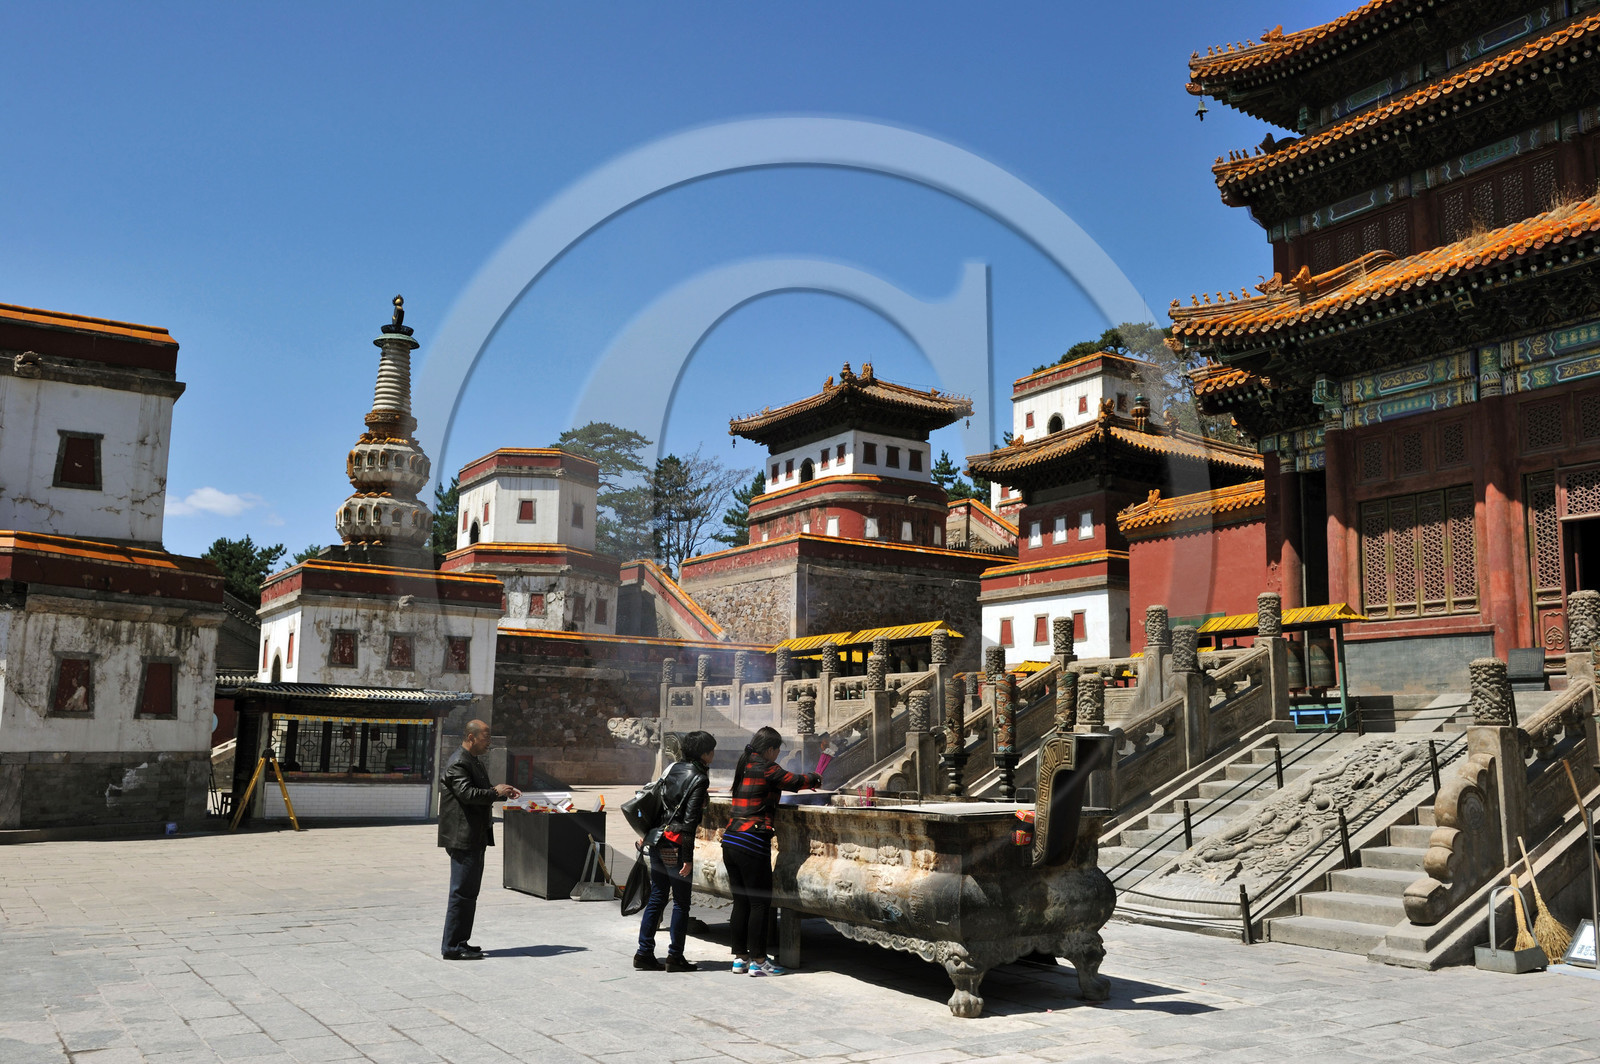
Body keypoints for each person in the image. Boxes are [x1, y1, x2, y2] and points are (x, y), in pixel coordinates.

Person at [720, 726, 820, 976]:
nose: (777, 755)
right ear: (769, 749)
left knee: (741, 902)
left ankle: (740, 959)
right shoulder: (767, 767)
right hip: (752, 840)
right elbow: (795, 781)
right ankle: (759, 961)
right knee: (759, 903)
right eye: (776, 750)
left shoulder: (744, 764)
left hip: (731, 839)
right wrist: (815, 777)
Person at [437, 720, 520, 960]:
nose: (489, 742)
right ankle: (452, 946)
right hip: (462, 837)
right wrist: (495, 792)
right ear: (471, 737)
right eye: (486, 738)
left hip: (474, 835)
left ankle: (461, 941)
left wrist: (502, 792)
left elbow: (482, 792)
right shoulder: (459, 762)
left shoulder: (473, 761)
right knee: (461, 893)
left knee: (469, 893)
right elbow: (467, 794)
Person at [635, 730, 716, 972]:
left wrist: (645, 833)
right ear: (704, 754)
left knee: (658, 896)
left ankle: (643, 952)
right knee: (681, 902)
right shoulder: (699, 778)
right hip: (676, 844)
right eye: (711, 750)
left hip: (658, 839)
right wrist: (688, 859)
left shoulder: (672, 769)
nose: (713, 755)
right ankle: (675, 957)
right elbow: (690, 822)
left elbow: (658, 803)